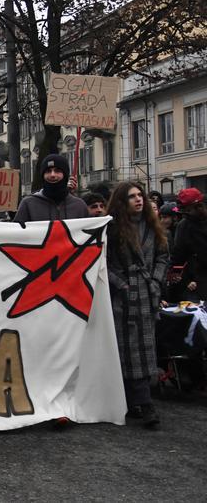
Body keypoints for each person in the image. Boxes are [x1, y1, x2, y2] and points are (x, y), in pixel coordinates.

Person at [106, 181, 169, 427]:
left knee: (144, 347)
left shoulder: (153, 228)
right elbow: (104, 262)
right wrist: (121, 285)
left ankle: (142, 402)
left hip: (147, 293)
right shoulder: (111, 229)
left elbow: (163, 256)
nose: (138, 199)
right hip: (123, 296)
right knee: (127, 350)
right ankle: (140, 402)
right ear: (122, 201)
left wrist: (155, 281)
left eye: (140, 195)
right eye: (132, 196)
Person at [13, 154, 88, 222]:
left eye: (57, 171)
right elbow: (17, 234)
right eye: (48, 171)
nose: (52, 175)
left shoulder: (79, 206)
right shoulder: (28, 204)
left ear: (65, 175)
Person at [173, 188, 207, 302]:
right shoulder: (183, 226)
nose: (185, 215)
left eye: (187, 211)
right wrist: (185, 280)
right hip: (198, 281)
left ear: (199, 206)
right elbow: (178, 256)